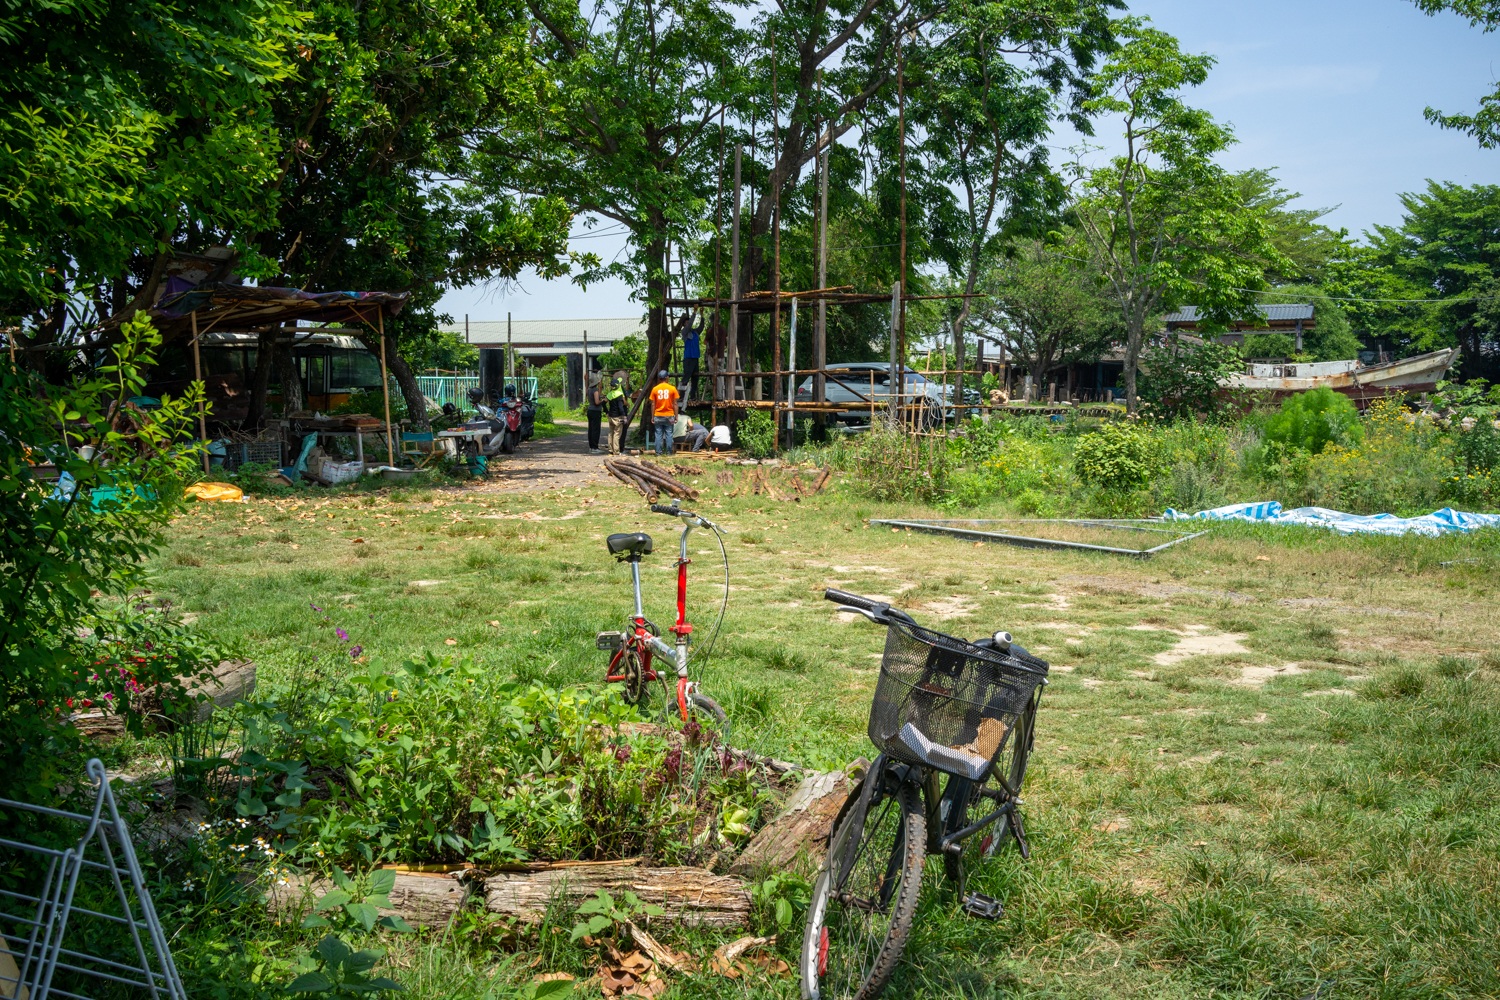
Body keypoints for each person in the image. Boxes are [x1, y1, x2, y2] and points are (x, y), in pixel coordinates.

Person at [649, 369, 680, 455]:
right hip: (669, 415)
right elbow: (675, 404)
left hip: (658, 415)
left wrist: (652, 417)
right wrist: (676, 416)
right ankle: (669, 452)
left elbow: (653, 404)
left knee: (658, 434)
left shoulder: (655, 389)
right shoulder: (672, 389)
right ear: (666, 378)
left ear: (659, 378)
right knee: (669, 434)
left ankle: (658, 452)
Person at [605, 372, 629, 454]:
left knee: (610, 433)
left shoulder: (610, 394)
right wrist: (624, 416)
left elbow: (603, 403)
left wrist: (606, 411)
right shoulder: (619, 394)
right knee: (617, 433)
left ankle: (610, 449)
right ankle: (616, 450)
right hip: (617, 416)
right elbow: (621, 407)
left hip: (610, 416)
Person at [681, 312, 702, 401]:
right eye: (686, 322)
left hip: (695, 357)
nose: (688, 323)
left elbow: (701, 327)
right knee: (686, 377)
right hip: (688, 358)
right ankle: (681, 396)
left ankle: (692, 396)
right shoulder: (684, 332)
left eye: (688, 322)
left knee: (695, 378)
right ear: (684, 325)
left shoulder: (695, 332)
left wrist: (702, 315)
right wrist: (694, 313)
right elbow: (689, 325)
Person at [585, 371, 604, 454]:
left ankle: (591, 446)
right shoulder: (595, 390)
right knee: (596, 429)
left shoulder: (589, 390)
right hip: (596, 411)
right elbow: (597, 402)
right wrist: (603, 400)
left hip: (590, 410)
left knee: (591, 429)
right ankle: (595, 447)